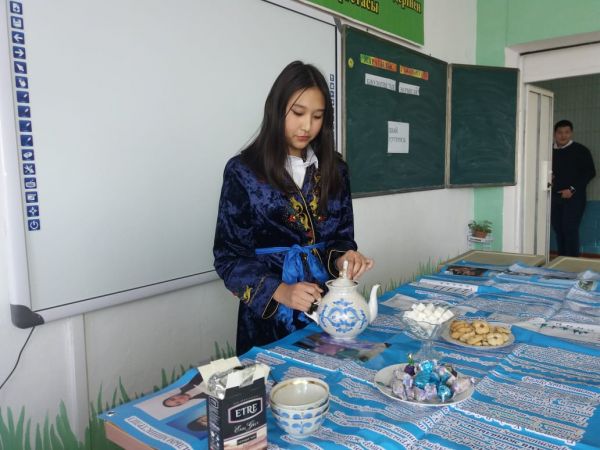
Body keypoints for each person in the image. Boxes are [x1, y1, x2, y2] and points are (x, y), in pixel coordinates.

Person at [213, 61, 374, 355]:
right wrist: (281, 291)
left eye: (317, 116)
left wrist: (344, 258)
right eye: (298, 113)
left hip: (326, 310)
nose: (307, 126)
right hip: (268, 319)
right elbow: (229, 258)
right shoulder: (244, 171)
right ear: (276, 109)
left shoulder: (335, 169)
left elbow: (341, 237)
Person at [551, 120, 596, 256]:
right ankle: (562, 260)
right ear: (554, 134)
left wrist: (571, 189)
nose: (563, 136)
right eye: (560, 132)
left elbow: (590, 172)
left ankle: (571, 262)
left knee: (570, 229)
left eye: (567, 132)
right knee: (558, 229)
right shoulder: (547, 151)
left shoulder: (581, 150)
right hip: (553, 196)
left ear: (571, 133)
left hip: (574, 198)